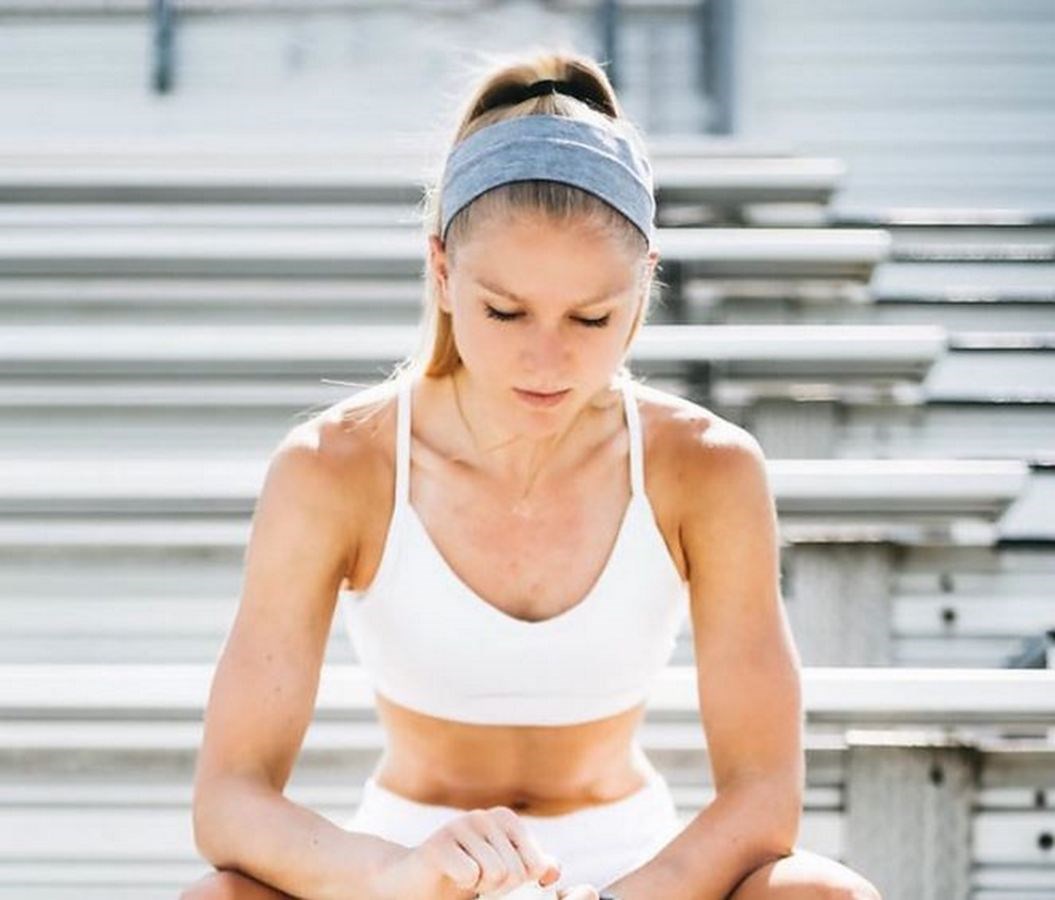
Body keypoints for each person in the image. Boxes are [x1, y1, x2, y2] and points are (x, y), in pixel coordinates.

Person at [182, 52, 882, 900]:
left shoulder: (706, 466)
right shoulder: (336, 466)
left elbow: (764, 790)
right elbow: (230, 795)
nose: (545, 359)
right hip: (413, 860)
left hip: (631, 870)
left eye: (591, 317)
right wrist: (396, 875)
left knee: (823, 896)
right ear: (442, 273)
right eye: (503, 311)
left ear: (643, 287)